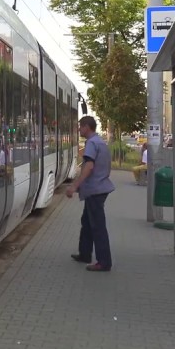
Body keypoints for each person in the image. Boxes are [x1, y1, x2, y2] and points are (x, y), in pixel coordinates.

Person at [66, 115, 115, 272]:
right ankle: (85, 253)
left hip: (95, 190)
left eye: (80, 127)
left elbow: (89, 167)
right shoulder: (100, 142)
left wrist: (74, 186)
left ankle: (104, 262)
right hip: (99, 188)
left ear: (87, 127)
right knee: (87, 222)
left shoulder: (92, 144)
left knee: (98, 226)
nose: (79, 129)